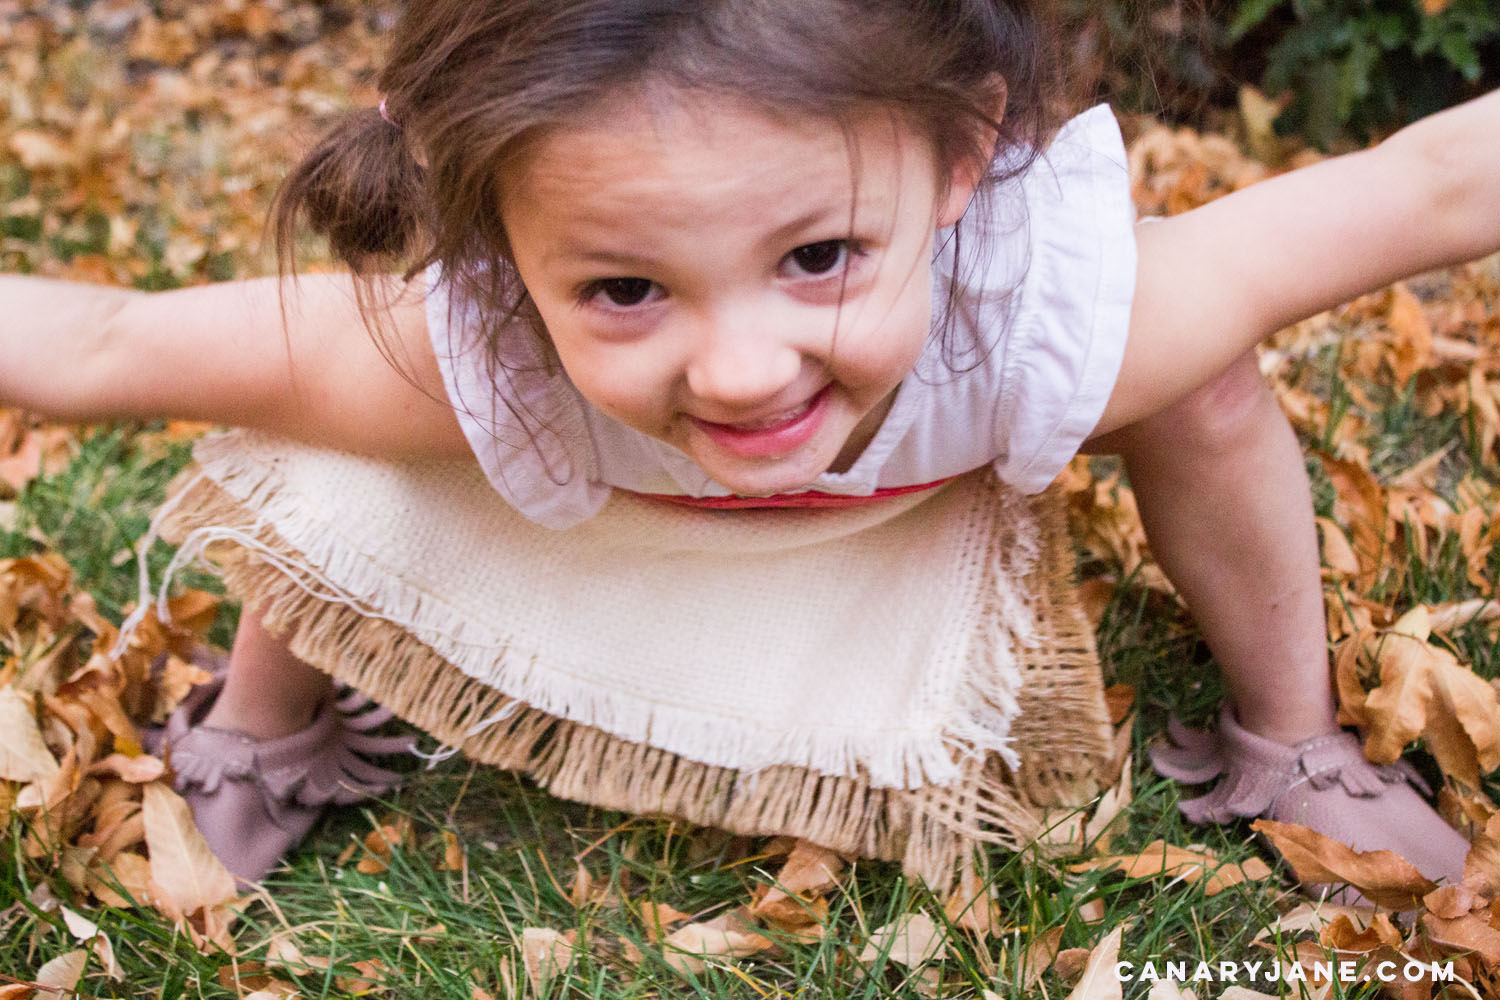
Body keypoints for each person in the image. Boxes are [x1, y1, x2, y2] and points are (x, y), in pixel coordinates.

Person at [1, 0, 1495, 887]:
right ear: (496, 233)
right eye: (628, 286)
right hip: (592, 514)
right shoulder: (469, 358)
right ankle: (267, 732)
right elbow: (101, 345)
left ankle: (1288, 742)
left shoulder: (1049, 308)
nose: (740, 367)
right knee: (346, 420)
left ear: (964, 159)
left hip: (914, 496)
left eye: (822, 255)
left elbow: (1425, 186)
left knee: (1205, 380)